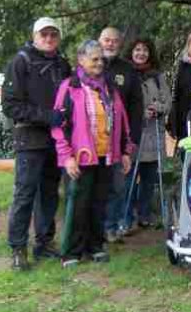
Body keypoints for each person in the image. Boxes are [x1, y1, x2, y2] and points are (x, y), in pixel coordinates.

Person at [51, 40, 134, 267]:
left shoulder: (109, 88)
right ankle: (72, 252)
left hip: (106, 156)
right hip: (80, 158)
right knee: (78, 205)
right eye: (94, 59)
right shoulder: (69, 86)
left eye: (101, 59)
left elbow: (122, 121)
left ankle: (95, 247)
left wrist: (125, 151)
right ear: (81, 60)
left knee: (99, 203)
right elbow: (58, 125)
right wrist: (66, 157)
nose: (99, 63)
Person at [1, 17, 71, 270]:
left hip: (56, 141)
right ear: (34, 36)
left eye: (53, 34)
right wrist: (46, 116)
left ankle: (44, 243)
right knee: (25, 194)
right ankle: (18, 248)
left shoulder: (63, 64)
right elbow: (10, 106)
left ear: (58, 37)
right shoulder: (21, 62)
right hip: (30, 139)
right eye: (44, 34)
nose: (49, 38)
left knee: (49, 193)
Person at [98, 27, 143, 243]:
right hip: (93, 140)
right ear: (99, 41)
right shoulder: (90, 66)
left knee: (117, 187)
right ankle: (93, 229)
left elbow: (136, 108)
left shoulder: (128, 70)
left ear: (120, 44)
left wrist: (131, 142)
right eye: (106, 40)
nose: (110, 44)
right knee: (95, 187)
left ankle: (111, 228)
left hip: (119, 141)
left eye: (114, 41)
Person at [122, 37, 171, 230]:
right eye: (137, 50)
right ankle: (126, 217)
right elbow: (121, 103)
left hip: (152, 135)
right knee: (128, 178)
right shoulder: (125, 74)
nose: (141, 53)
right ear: (131, 52)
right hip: (132, 135)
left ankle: (144, 214)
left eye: (144, 50)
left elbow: (168, 102)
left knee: (149, 179)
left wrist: (157, 108)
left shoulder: (158, 77)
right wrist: (141, 112)